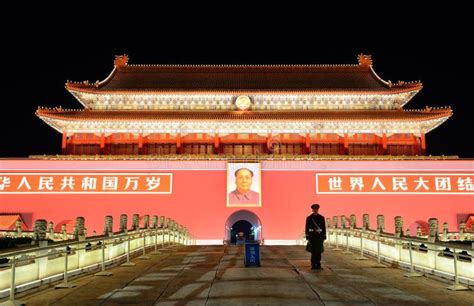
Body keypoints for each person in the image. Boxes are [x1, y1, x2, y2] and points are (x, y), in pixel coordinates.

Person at [305, 203, 326, 270]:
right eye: (314, 209)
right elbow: (307, 228)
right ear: (312, 210)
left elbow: (323, 227)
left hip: (319, 237)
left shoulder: (321, 218)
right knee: (313, 252)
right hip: (312, 237)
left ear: (318, 210)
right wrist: (307, 236)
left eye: (316, 209)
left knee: (319, 252)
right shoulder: (309, 218)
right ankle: (313, 265)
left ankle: (318, 265)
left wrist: (324, 236)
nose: (315, 210)